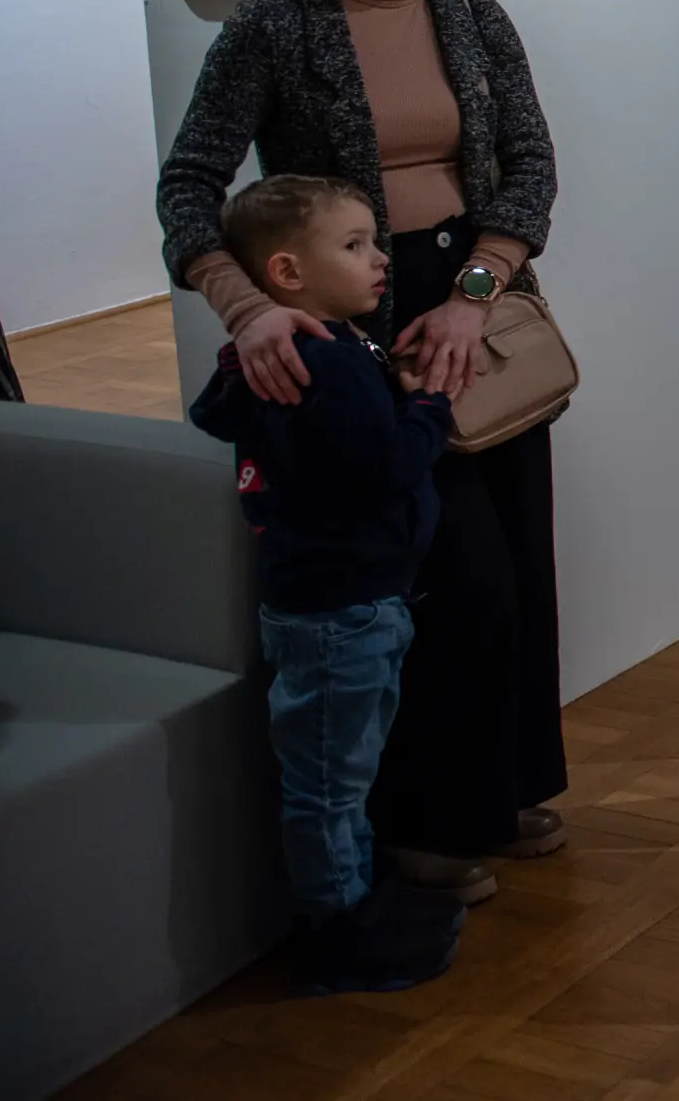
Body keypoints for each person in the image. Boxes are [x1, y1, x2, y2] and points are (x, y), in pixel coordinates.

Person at [158, 0, 569, 910]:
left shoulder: (471, 12)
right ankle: (422, 824)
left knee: (515, 560)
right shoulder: (273, 27)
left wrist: (475, 294)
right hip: (352, 326)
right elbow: (188, 185)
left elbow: (530, 166)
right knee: (440, 574)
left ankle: (502, 789)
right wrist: (247, 307)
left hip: (471, 309)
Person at [190, 175, 467, 993]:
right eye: (354, 245)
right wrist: (431, 406)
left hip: (342, 601)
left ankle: (358, 899)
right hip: (343, 608)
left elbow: (217, 412)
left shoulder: (301, 352)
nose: (379, 259)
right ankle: (338, 931)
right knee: (328, 784)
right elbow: (386, 465)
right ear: (286, 271)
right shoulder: (330, 362)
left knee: (346, 771)